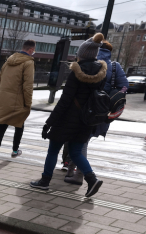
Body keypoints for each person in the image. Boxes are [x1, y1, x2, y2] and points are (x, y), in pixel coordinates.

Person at [30, 33, 106, 198]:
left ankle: (45, 181)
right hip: (86, 120)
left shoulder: (76, 73)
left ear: (82, 54)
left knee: (53, 150)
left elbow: (64, 101)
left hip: (68, 119)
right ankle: (92, 179)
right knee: (77, 152)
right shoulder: (101, 73)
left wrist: (49, 123)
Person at [64, 36, 128, 186]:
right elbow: (124, 86)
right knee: (82, 141)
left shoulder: (87, 62)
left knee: (80, 141)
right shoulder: (114, 66)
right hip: (101, 109)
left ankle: (81, 174)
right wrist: (110, 96)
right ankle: (71, 169)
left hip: (81, 109)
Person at [0, 40, 36, 161]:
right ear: (31, 50)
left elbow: (0, 81)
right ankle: (15, 151)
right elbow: (28, 86)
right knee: (19, 124)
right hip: (18, 100)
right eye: (34, 50)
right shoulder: (28, 63)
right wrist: (28, 103)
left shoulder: (8, 61)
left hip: (3, 99)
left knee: (2, 126)